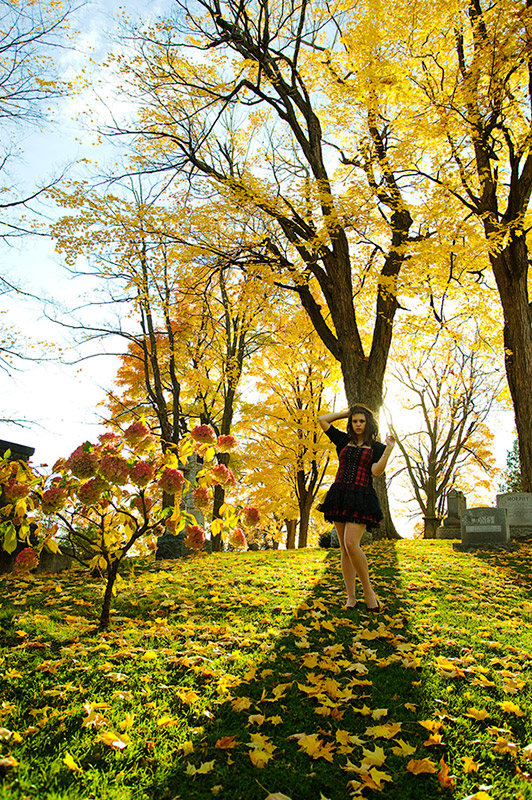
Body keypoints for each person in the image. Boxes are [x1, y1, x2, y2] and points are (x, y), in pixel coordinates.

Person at [317, 404, 396, 613]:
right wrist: (346, 412)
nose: (358, 424)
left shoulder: (377, 447)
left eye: (361, 421)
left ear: (368, 423)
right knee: (344, 548)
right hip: (340, 494)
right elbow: (322, 420)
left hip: (361, 496)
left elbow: (376, 472)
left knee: (352, 544)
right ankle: (351, 596)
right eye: (355, 421)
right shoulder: (343, 440)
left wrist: (388, 450)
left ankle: (369, 592)